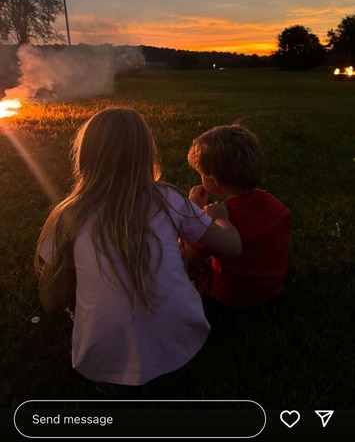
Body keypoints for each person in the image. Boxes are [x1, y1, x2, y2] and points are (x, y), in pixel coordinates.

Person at [34, 107, 241, 398]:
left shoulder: (68, 215)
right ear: (146, 153)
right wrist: (224, 219)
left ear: (85, 155)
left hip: (105, 373)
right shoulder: (168, 198)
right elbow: (231, 246)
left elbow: (51, 301)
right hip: (183, 354)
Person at [184, 124, 290, 309]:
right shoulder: (275, 205)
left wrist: (193, 210)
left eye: (201, 174)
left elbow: (186, 255)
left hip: (234, 295)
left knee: (180, 267)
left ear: (214, 181)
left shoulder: (220, 219)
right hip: (271, 287)